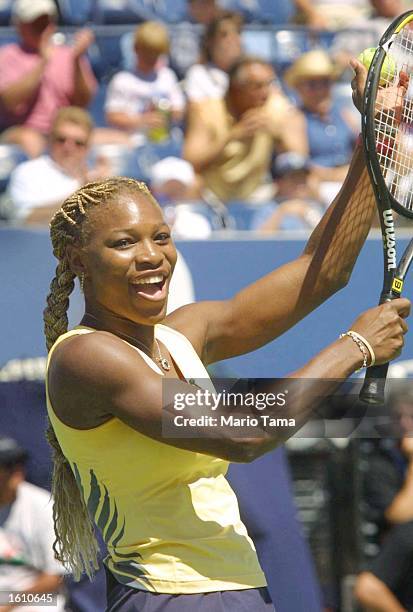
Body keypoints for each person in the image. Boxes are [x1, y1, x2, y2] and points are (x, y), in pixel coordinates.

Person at [42, 59, 410, 612]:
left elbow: (322, 271)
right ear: (79, 261)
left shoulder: (184, 332)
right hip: (167, 598)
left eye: (161, 237)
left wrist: (371, 136)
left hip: (238, 589)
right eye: (124, 243)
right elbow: (243, 435)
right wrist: (353, 348)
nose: (151, 257)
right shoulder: (87, 357)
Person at [183, 55, 307, 203]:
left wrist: (277, 135)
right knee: (192, 184)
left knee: (302, 183)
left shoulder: (275, 108)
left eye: (269, 84)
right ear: (235, 89)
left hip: (259, 194)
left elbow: (300, 157)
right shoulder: (206, 111)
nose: (265, 93)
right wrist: (232, 136)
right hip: (212, 195)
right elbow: (191, 163)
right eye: (257, 86)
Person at [0, 0, 97, 158]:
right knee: (31, 141)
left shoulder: (69, 55)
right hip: (22, 130)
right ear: (20, 25)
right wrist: (43, 62)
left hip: (64, 132)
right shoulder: (7, 56)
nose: (42, 27)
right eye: (35, 22)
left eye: (46, 21)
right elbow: (10, 101)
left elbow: (84, 102)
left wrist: (77, 60)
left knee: (114, 142)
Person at [354, 385, 413, 612]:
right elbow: (401, 516)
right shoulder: (382, 464)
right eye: (400, 417)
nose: (407, 425)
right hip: (397, 570)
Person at [6, 107, 111, 225]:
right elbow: (25, 219)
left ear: (87, 148)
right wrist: (82, 196)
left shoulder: (96, 179)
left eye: (78, 143)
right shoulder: (28, 172)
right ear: (49, 140)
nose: (69, 147)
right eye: (61, 140)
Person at [0, 436, 65, 612]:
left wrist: (7, 604)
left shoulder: (44, 506)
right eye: (5, 466)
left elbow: (54, 578)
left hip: (40, 600)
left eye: (16, 464)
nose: (15, 471)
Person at [284, 50, 358, 191]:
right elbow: (301, 167)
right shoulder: (296, 119)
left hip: (350, 180)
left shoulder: (343, 113)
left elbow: (361, 147)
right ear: (298, 88)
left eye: (325, 83)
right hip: (319, 187)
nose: (320, 90)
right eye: (312, 84)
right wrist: (337, 175)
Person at [105, 21, 185, 146]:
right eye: (147, 53)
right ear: (136, 49)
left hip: (166, 142)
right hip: (133, 142)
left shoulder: (167, 76)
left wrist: (163, 111)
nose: (151, 59)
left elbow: (179, 110)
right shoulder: (122, 80)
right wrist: (142, 120)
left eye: (156, 54)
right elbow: (112, 116)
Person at [251, 152, 325, 232]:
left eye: (302, 178)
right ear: (279, 182)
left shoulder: (316, 205)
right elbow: (259, 241)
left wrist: (309, 214)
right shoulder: (269, 208)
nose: (300, 183)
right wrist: (282, 211)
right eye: (294, 178)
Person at [184, 12, 243, 102]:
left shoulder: (249, 74)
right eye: (224, 35)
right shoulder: (198, 74)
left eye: (237, 32)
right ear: (210, 42)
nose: (233, 39)